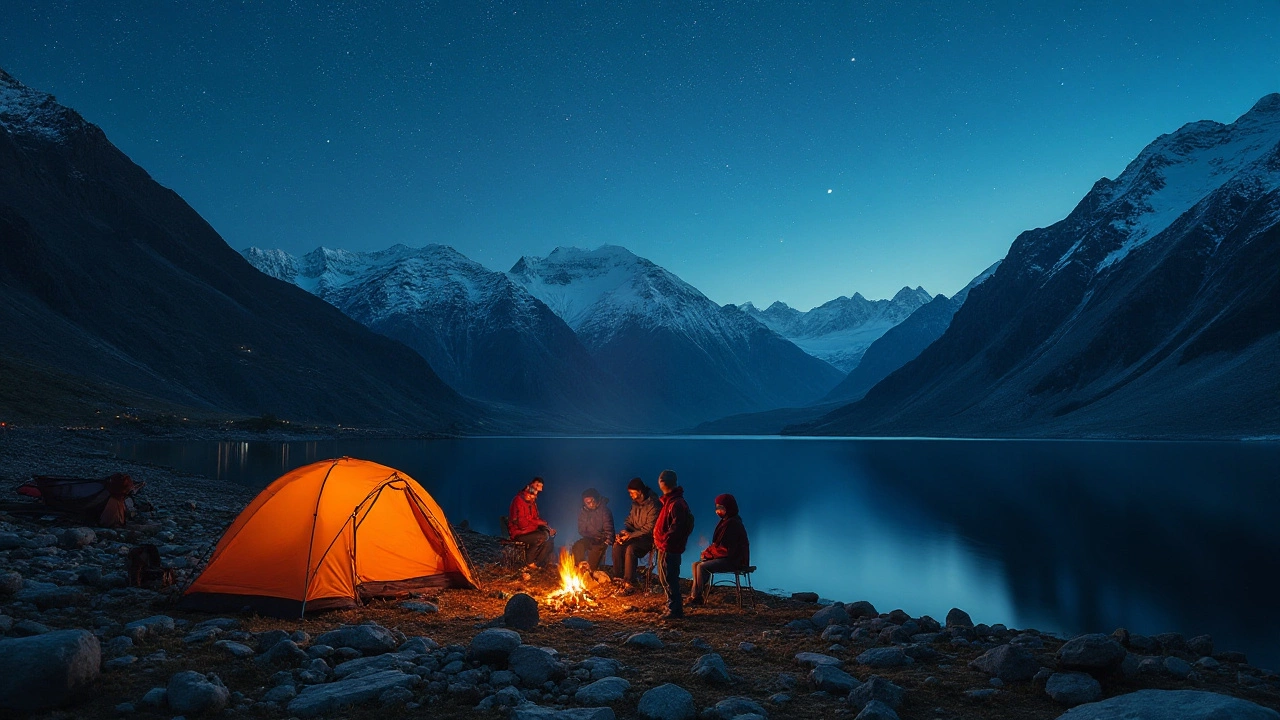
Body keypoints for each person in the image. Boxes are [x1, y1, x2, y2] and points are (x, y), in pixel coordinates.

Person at [688, 493, 750, 607]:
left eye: (721, 508)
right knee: (695, 564)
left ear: (728, 508)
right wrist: (707, 553)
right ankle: (694, 596)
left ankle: (697, 598)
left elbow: (726, 549)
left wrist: (709, 555)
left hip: (734, 560)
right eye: (717, 507)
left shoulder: (733, 524)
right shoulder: (726, 521)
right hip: (726, 557)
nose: (718, 511)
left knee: (702, 566)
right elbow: (717, 545)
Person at [652, 469, 693, 619]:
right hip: (665, 547)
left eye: (662, 480)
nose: (661, 482)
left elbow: (677, 528)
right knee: (666, 578)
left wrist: (664, 541)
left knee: (670, 578)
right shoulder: (669, 501)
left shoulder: (676, 503)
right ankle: (672, 605)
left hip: (670, 548)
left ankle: (675, 610)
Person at [613, 477, 659, 593]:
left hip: (648, 539)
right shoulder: (635, 504)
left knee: (631, 549)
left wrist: (630, 535)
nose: (630, 495)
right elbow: (629, 520)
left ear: (640, 491)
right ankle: (618, 577)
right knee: (617, 545)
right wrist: (624, 532)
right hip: (634, 536)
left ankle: (629, 581)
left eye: (632, 492)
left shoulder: (653, 504)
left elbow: (649, 529)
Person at [507, 477, 555, 567]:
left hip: (529, 531)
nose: (535, 495)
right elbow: (522, 524)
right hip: (519, 533)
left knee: (549, 539)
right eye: (537, 486)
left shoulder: (532, 502)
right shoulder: (519, 500)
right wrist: (538, 524)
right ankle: (529, 562)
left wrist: (547, 527)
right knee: (542, 536)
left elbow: (535, 518)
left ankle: (536, 563)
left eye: (536, 494)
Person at [572, 488, 614, 572]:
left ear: (596, 499)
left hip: (601, 540)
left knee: (592, 566)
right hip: (589, 538)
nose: (590, 504)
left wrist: (605, 541)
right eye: (587, 503)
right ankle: (580, 566)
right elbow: (581, 529)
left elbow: (609, 530)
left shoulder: (604, 511)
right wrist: (590, 535)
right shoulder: (583, 511)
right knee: (578, 546)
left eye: (591, 501)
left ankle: (590, 573)